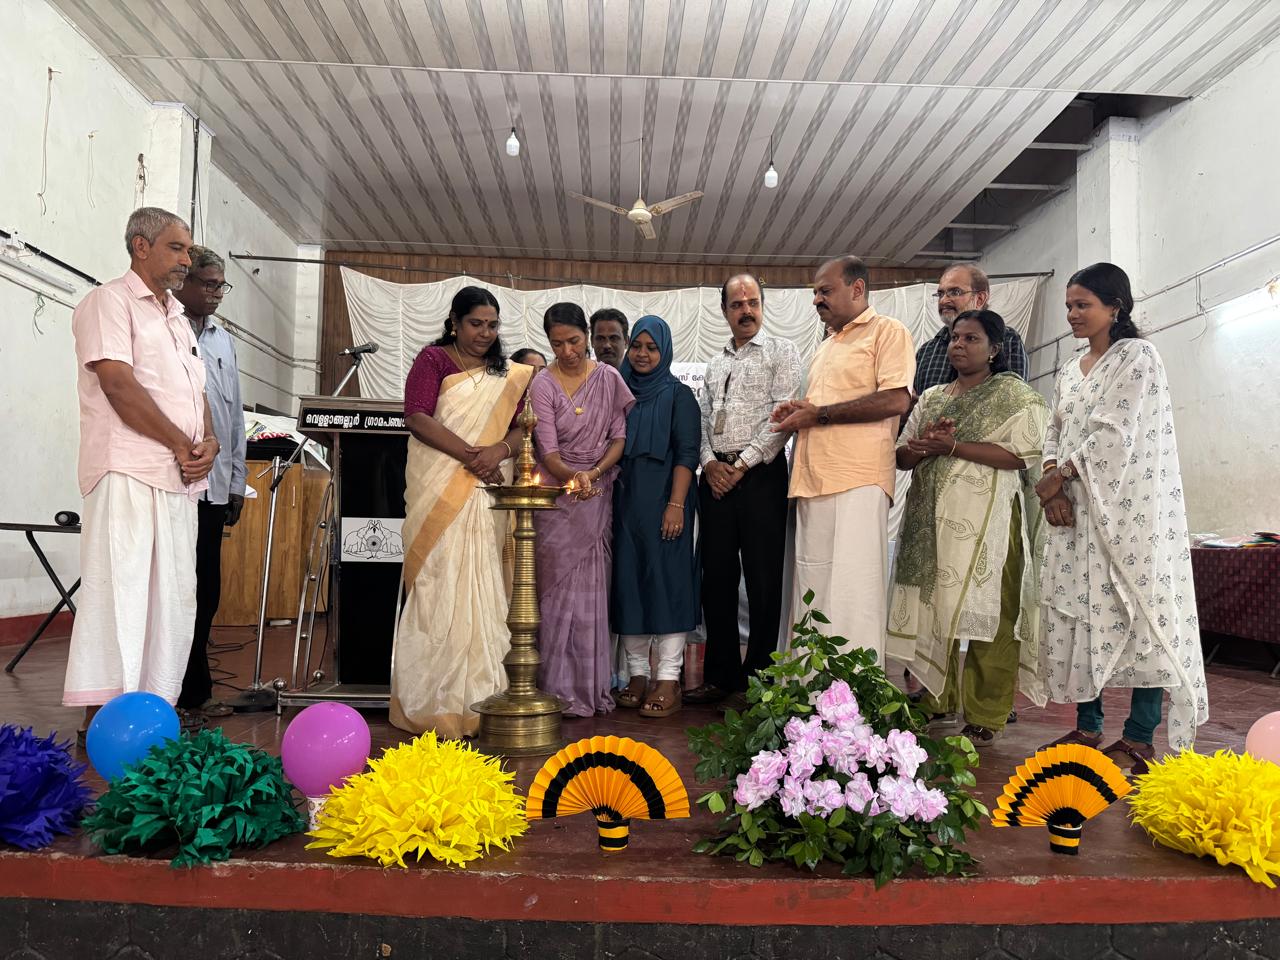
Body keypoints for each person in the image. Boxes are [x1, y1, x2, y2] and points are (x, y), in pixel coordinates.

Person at [1035, 263, 1207, 772]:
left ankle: (1138, 735)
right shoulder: (1070, 369)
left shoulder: (1137, 357)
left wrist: (1061, 475)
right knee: (1081, 611)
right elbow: (1054, 428)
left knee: (1138, 612)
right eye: (1069, 306)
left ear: (1115, 307)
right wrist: (1051, 482)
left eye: (1082, 304)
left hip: (1127, 514)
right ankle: (1088, 725)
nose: (1072, 314)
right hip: (1074, 513)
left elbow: (1117, 434)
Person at [63, 207, 218, 735]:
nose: (186, 259)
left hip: (179, 478)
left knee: (171, 602)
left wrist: (209, 442)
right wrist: (180, 443)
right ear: (140, 246)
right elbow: (118, 384)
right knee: (121, 595)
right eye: (177, 248)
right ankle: (104, 723)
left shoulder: (176, 316)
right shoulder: (108, 301)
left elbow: (196, 393)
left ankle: (153, 717)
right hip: (127, 469)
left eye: (189, 250)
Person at [887, 310, 1049, 747]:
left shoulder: (1016, 397)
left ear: (994, 349)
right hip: (929, 521)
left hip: (990, 522)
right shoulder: (932, 397)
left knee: (993, 614)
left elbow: (1024, 455)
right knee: (935, 610)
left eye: (971, 338)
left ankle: (986, 712)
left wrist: (954, 446)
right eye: (954, 338)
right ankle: (937, 698)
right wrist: (923, 446)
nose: (958, 345)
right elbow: (901, 456)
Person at [390, 286, 531, 738]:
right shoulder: (433, 360)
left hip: (487, 489)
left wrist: (498, 451)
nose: (485, 333)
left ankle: (485, 695)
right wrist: (473, 455)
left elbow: (525, 427)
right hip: (441, 483)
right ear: (454, 321)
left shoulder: (509, 374)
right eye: (476, 324)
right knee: (438, 581)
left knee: (484, 582)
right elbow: (417, 417)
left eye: (492, 325)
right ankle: (435, 700)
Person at [771, 256, 913, 662]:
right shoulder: (825, 346)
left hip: (858, 480)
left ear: (857, 289)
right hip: (812, 480)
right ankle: (809, 690)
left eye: (825, 290)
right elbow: (825, 408)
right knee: (812, 590)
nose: (817, 299)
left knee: (852, 591)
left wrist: (819, 414)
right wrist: (801, 411)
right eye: (815, 292)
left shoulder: (887, 331)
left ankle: (853, 691)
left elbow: (896, 399)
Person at [684, 274, 801, 707]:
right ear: (725, 311)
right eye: (737, 304)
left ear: (763, 306)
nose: (746, 311)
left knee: (763, 579)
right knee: (715, 578)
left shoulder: (781, 352)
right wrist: (710, 463)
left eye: (752, 302)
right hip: (715, 478)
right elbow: (701, 420)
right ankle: (720, 677)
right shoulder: (716, 363)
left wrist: (742, 465)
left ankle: (760, 682)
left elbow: (783, 417)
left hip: (761, 476)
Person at [530, 303, 634, 716]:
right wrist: (574, 477)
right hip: (556, 499)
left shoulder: (608, 378)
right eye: (557, 344)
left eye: (574, 341)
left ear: (586, 336)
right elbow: (547, 450)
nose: (567, 351)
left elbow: (619, 438)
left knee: (592, 591)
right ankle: (553, 690)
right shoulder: (542, 383)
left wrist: (593, 474)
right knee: (553, 594)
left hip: (596, 493)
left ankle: (588, 690)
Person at [611, 315, 701, 718]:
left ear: (664, 351)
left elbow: (687, 454)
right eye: (637, 346)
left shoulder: (680, 396)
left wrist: (676, 505)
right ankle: (637, 674)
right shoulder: (619, 392)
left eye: (652, 347)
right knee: (629, 584)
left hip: (666, 504)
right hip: (624, 505)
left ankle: (668, 677)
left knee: (667, 585)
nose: (642, 354)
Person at [172, 246, 245, 727]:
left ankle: (197, 692)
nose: (217, 293)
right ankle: (170, 692)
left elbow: (234, 415)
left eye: (222, 285)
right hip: (176, 480)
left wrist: (237, 481)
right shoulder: (167, 329)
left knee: (206, 591)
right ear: (184, 282)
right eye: (209, 284)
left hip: (215, 487)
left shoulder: (223, 341)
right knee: (175, 589)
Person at [913, 264, 1028, 396]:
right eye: (940, 294)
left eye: (955, 292)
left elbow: (1017, 399)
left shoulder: (1007, 340)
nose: (943, 301)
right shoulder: (927, 351)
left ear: (980, 299)